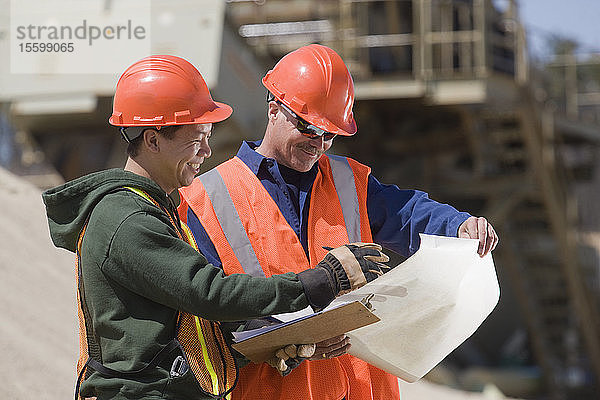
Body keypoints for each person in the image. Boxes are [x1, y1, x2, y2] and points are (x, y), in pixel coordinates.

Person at [42, 54, 390, 400]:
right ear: (152, 140)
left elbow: (187, 328)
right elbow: (208, 293)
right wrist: (321, 281)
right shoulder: (128, 220)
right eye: (197, 138)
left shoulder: (152, 210)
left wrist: (273, 341)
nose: (207, 151)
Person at [178, 44, 499, 400]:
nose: (319, 143)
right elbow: (207, 315)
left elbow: (407, 211)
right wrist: (277, 337)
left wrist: (458, 226)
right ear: (274, 110)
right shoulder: (205, 199)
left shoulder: (350, 182)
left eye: (330, 134)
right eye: (310, 128)